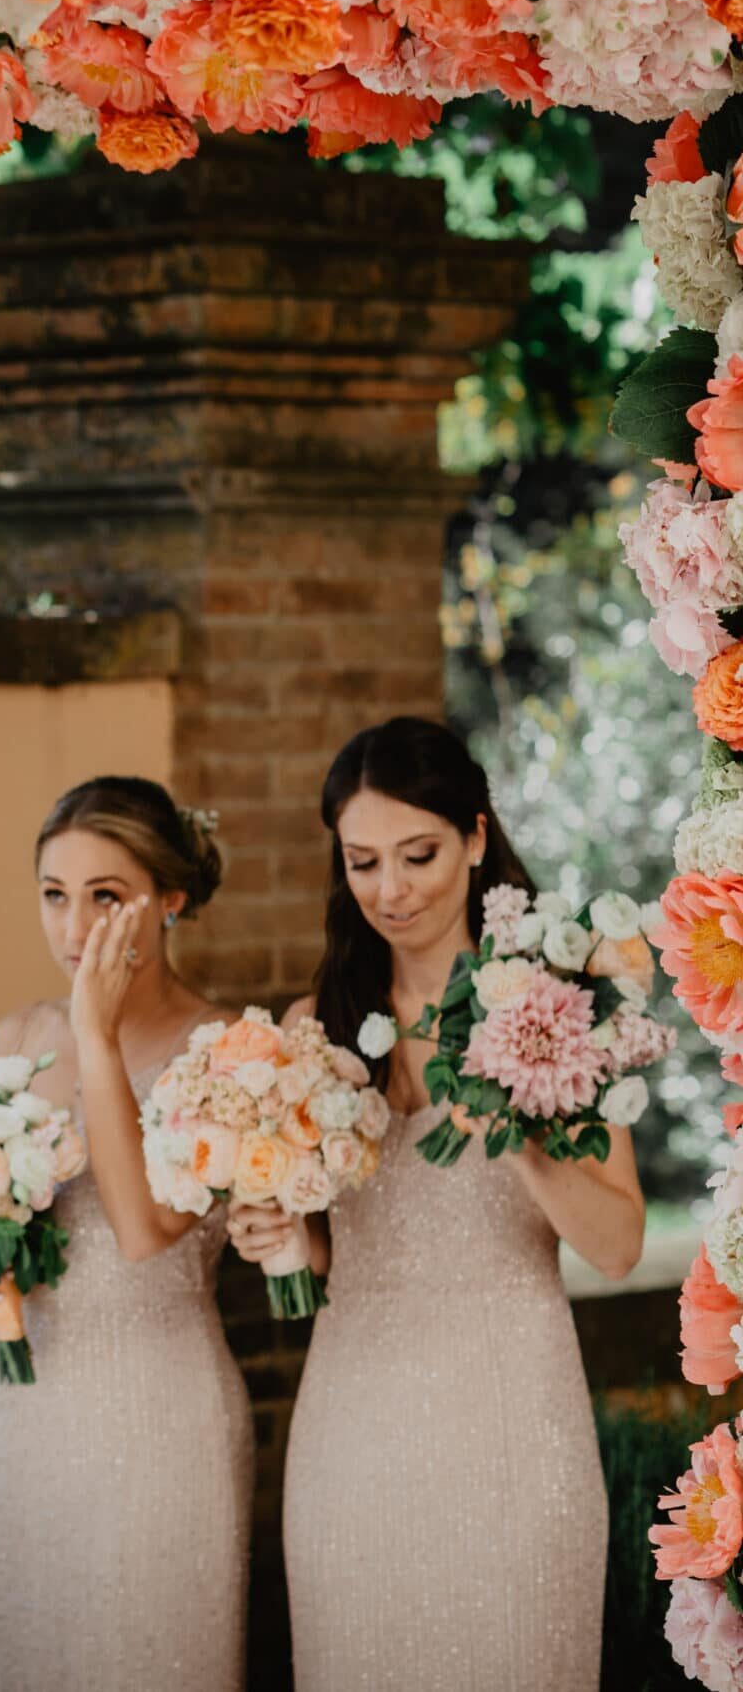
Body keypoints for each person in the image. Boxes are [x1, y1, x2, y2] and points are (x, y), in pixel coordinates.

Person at [265, 716, 636, 1690]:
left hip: (513, 1416)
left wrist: (514, 1133)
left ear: (474, 838)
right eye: (362, 862)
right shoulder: (318, 1029)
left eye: (418, 854)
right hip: (353, 1425)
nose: (391, 889)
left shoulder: (561, 1006)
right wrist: (277, 1233)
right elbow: (312, 1259)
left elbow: (619, 1247)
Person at [0, 777, 251, 1690]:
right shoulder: (15, 1037)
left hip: (159, 1420)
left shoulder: (227, 1051)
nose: (73, 927)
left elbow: (143, 1231)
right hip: (19, 1420)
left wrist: (97, 1034)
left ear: (172, 899)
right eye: (54, 893)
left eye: (105, 896)